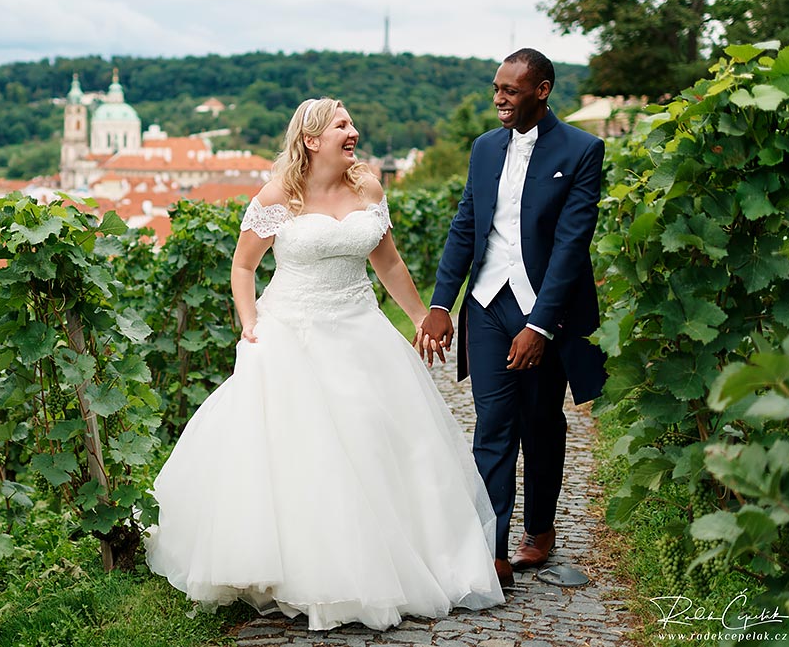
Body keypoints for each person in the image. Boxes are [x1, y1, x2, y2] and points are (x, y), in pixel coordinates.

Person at [145, 98, 505, 633]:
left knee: (376, 440)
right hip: (292, 332)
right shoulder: (278, 197)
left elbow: (388, 261)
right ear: (312, 139)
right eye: (341, 125)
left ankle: (390, 560)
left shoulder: (369, 189)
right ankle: (301, 572)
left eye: (352, 122)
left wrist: (421, 317)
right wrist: (250, 322)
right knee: (306, 453)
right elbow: (243, 267)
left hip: (360, 328)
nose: (353, 131)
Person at [418, 50, 608, 590]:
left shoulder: (581, 149)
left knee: (542, 422)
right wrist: (440, 303)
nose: (499, 98)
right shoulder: (483, 149)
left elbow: (572, 246)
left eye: (511, 90)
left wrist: (541, 326)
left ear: (542, 90)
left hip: (544, 309)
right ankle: (491, 548)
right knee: (493, 424)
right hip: (486, 305)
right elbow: (465, 226)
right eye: (495, 88)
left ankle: (541, 530)